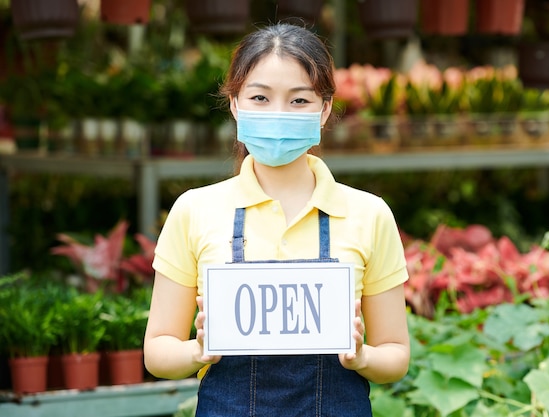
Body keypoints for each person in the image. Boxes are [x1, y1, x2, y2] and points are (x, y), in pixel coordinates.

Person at [144, 23, 410, 416]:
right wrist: (198, 349)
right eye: (260, 98)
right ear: (234, 104)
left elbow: (396, 354)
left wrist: (362, 357)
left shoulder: (369, 214)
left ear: (324, 109)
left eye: (299, 100)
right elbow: (157, 352)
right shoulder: (194, 210)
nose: (278, 113)